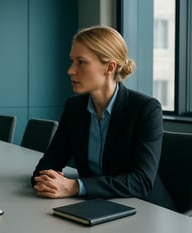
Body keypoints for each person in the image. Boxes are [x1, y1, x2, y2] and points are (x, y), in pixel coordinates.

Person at [31, 26, 175, 210]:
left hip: (145, 209)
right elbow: (50, 161)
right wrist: (47, 181)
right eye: (72, 61)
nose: (70, 70)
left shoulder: (146, 109)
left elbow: (141, 181)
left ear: (109, 66)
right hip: (97, 206)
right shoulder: (74, 107)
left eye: (81, 62)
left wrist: (75, 186)